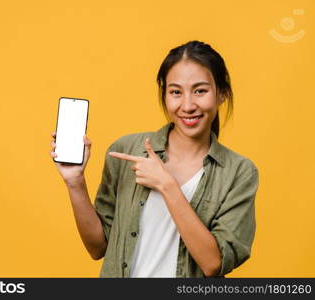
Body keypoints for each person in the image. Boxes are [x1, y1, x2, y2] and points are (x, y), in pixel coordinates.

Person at [49, 40, 259, 278]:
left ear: (222, 93)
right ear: (164, 94)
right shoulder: (126, 150)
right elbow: (97, 247)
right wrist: (75, 182)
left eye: (200, 91)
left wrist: (167, 185)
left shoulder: (238, 172)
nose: (188, 105)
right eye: (176, 92)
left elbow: (213, 264)